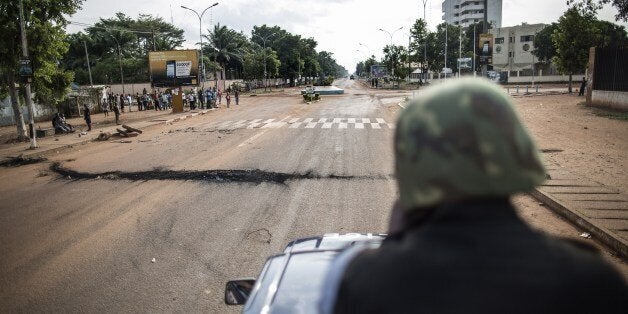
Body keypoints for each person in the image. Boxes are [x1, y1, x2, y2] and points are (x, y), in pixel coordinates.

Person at [324, 78, 627, 314]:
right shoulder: (592, 281)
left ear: (412, 166)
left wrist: (393, 244)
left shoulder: (368, 280)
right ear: (514, 152)